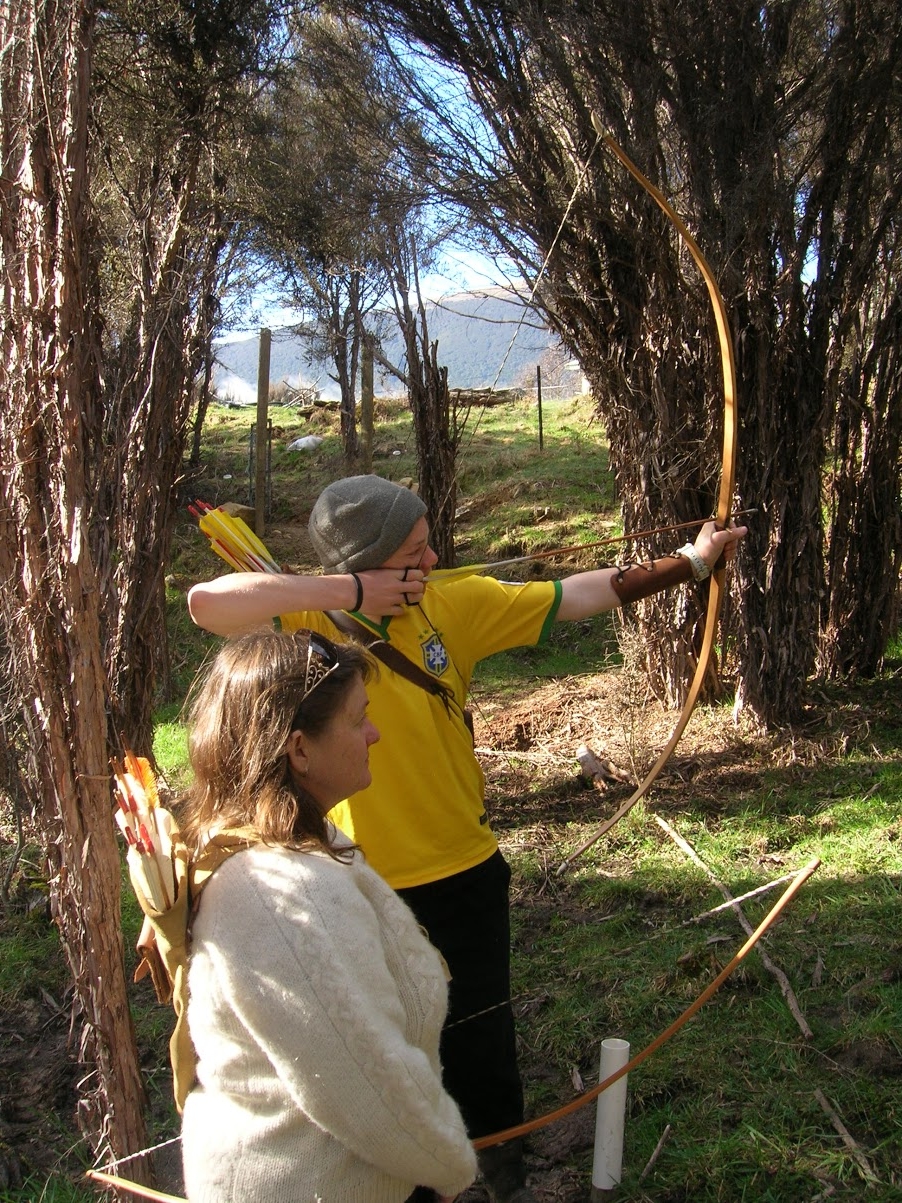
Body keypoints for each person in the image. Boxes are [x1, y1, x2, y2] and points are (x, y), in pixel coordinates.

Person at [187, 475, 747, 1202]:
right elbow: (208, 604)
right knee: (397, 1041)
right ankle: (420, 1178)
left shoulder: (451, 603)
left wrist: (690, 563)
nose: (432, 561)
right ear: (365, 563)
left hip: (466, 865)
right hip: (363, 880)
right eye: (413, 553)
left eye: (429, 546)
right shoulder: (306, 622)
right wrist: (347, 593)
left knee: (482, 1031)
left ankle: (501, 1168)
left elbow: (576, 595)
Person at [177, 626, 477, 1203]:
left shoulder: (301, 846)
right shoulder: (279, 897)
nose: (374, 733)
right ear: (299, 749)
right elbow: (367, 1082)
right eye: (358, 719)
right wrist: (449, 1166)